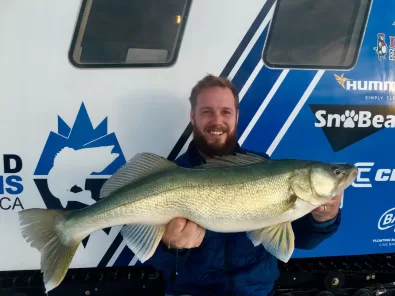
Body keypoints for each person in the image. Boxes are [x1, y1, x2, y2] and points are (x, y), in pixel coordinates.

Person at [144, 74, 343, 296]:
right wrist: (170, 246)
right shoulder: (170, 175)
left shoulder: (266, 167)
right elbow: (153, 258)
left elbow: (304, 241)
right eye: (207, 112)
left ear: (236, 116)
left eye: (226, 112)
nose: (217, 121)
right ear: (193, 116)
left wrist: (322, 221)